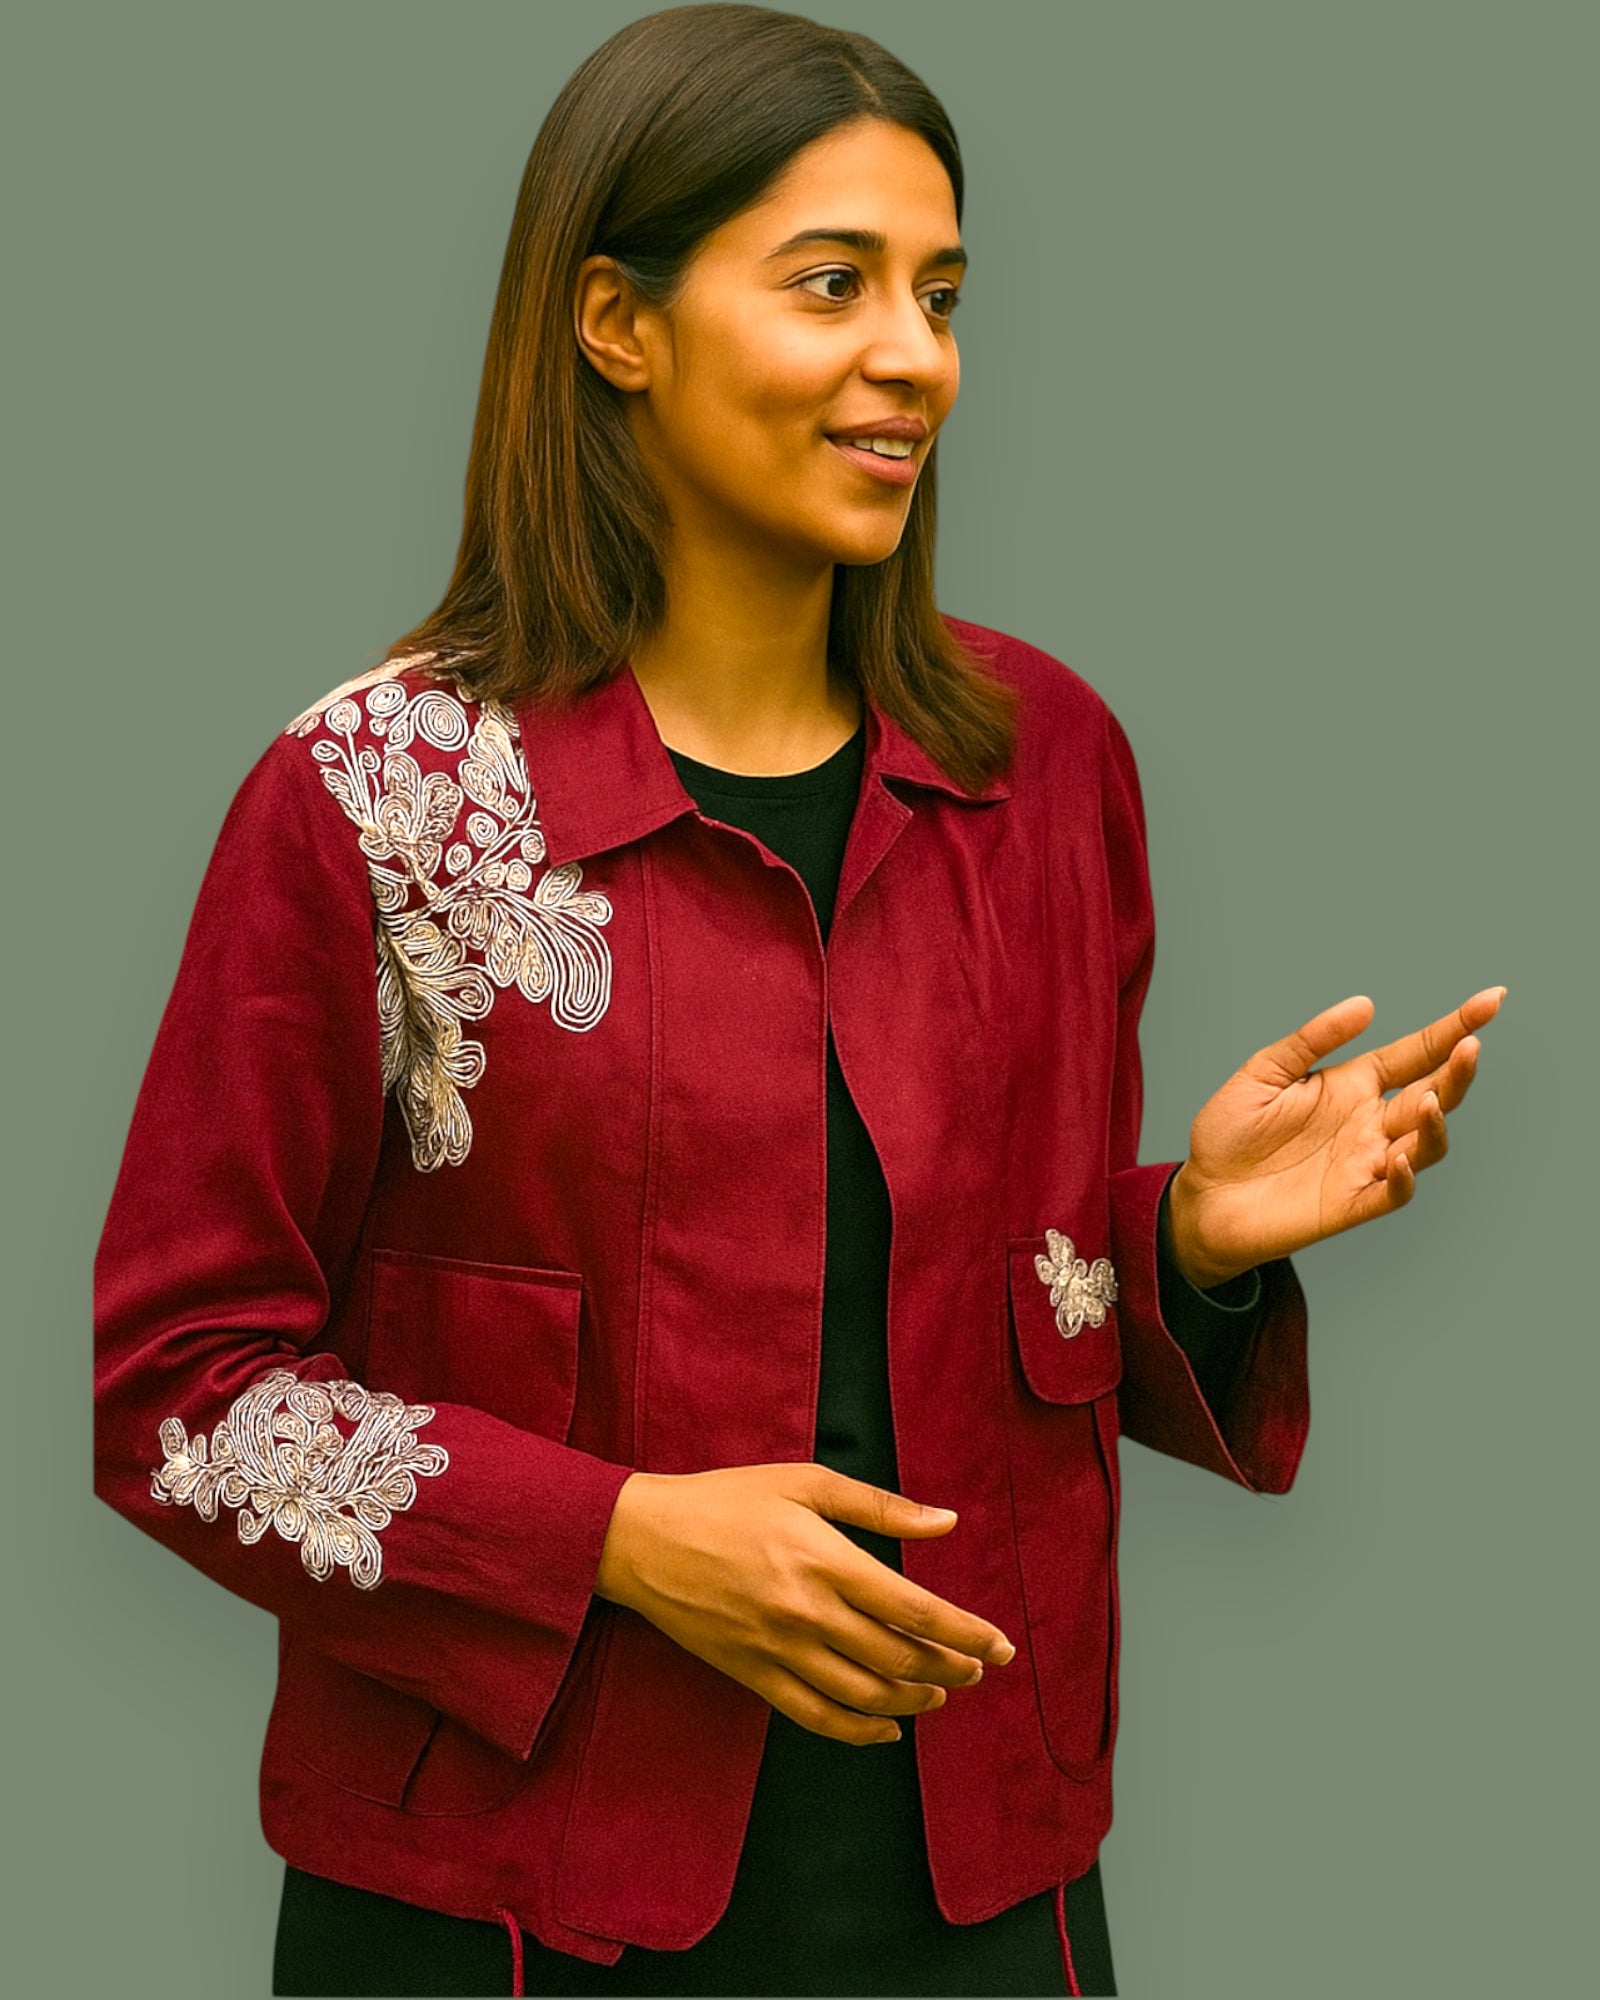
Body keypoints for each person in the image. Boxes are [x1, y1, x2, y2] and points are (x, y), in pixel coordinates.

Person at [91, 8, 1504, 1996]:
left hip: (984, 1888)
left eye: (938, 292)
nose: (910, 354)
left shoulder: (1044, 762)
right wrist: (612, 1536)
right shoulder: (375, 799)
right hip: (500, 1911)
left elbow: (960, 1299)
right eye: (829, 284)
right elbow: (177, 1398)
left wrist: (1177, 1237)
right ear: (616, 323)